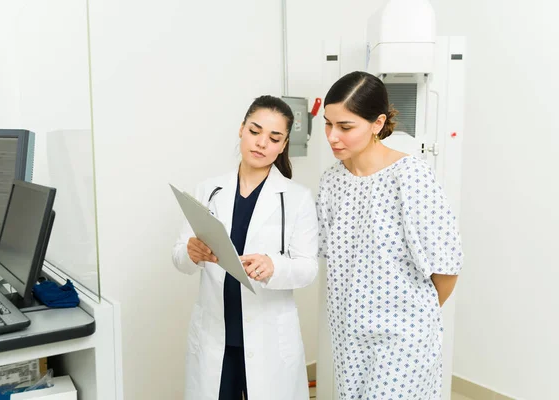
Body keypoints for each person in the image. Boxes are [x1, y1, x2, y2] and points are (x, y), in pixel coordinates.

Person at [317, 71, 463, 399]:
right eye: (328, 123)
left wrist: (409, 318)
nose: (332, 136)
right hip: (349, 336)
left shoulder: (410, 177)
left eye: (345, 126)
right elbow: (330, 256)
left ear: (377, 123)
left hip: (402, 339)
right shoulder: (331, 182)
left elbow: (447, 269)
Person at [172, 95, 318, 400]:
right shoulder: (208, 190)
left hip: (268, 339)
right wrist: (191, 252)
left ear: (283, 144)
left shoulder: (297, 198)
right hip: (216, 338)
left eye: (274, 137)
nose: (262, 143)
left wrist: (274, 266)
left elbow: (307, 268)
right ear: (241, 129)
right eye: (255, 131)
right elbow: (179, 256)